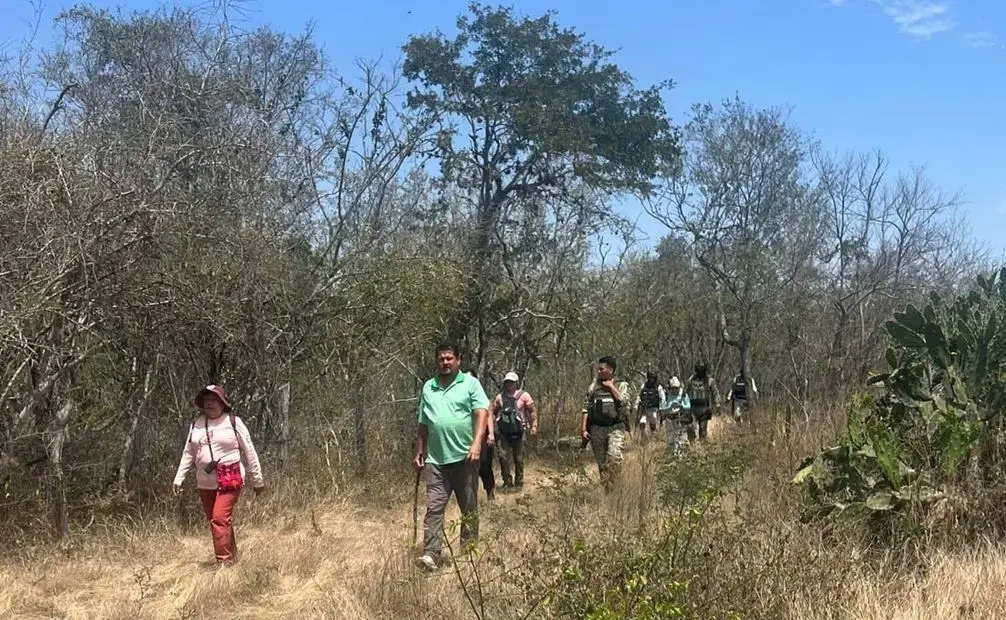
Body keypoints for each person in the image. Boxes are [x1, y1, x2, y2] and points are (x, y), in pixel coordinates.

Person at [413, 341, 489, 571]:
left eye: (449, 358)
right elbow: (423, 422)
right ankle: (431, 554)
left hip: (465, 458)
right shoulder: (429, 387)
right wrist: (419, 451)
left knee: (468, 507)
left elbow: (481, 413)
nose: (445, 363)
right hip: (436, 460)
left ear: (458, 360)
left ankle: (468, 552)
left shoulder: (470, 384)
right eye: (441, 359)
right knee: (434, 508)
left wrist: (476, 444)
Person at [172, 384, 265, 566]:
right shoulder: (196, 425)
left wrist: (257, 479)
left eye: (214, 400)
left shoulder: (233, 422)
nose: (210, 404)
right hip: (205, 482)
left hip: (230, 478)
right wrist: (179, 478)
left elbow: (250, 451)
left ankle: (224, 564)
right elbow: (188, 452)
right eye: (206, 400)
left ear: (223, 403)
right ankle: (233, 557)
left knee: (220, 518)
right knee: (219, 522)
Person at [579, 356, 631, 493]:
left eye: (602, 369)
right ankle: (608, 491)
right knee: (602, 464)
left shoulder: (621, 385)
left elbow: (624, 402)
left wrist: (611, 387)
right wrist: (583, 429)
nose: (599, 371)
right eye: (599, 368)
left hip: (616, 427)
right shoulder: (593, 386)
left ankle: (614, 483)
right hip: (597, 429)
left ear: (611, 370)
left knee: (614, 457)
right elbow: (586, 408)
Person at [488, 371, 537, 492]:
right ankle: (507, 482)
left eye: (511, 382)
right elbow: (493, 411)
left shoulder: (524, 395)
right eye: (507, 382)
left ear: (516, 383)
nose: (509, 384)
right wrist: (491, 429)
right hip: (503, 432)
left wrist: (534, 425)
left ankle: (519, 483)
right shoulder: (500, 397)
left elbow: (532, 411)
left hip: (519, 431)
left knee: (519, 458)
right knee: (502, 456)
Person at [685, 363, 719, 442]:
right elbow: (686, 391)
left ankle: (703, 449)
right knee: (690, 428)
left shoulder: (709, 380)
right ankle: (692, 446)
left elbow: (715, 393)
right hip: (692, 408)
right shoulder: (691, 379)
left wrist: (717, 404)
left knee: (703, 430)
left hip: (704, 408)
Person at [660, 376, 691, 457]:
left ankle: (683, 457)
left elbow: (688, 406)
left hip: (681, 419)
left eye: (676, 388)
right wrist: (670, 407)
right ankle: (672, 457)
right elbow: (662, 408)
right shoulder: (666, 395)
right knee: (671, 440)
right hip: (669, 420)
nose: (674, 390)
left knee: (682, 439)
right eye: (672, 388)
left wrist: (681, 406)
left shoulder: (683, 394)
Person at [633, 372, 665, 441]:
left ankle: (653, 435)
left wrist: (662, 408)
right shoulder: (644, 386)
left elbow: (662, 398)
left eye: (652, 378)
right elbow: (639, 396)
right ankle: (645, 438)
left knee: (653, 418)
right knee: (642, 422)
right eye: (650, 378)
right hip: (644, 409)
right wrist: (636, 405)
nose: (651, 379)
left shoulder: (658, 387)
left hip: (654, 408)